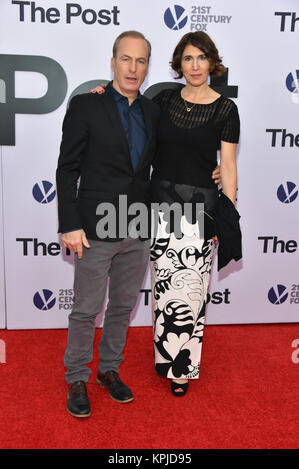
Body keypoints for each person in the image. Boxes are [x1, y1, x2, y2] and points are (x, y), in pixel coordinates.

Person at [56, 31, 160, 418]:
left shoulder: (152, 111)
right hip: (95, 226)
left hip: (136, 225)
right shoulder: (86, 105)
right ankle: (77, 377)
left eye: (141, 61)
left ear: (148, 66)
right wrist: (70, 222)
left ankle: (109, 370)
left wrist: (217, 170)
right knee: (85, 308)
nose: (133, 68)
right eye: (126, 59)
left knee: (121, 306)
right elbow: (67, 169)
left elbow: (166, 161)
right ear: (113, 61)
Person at [150, 32, 241, 396]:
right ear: (179, 64)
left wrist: (226, 215)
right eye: (188, 58)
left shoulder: (226, 109)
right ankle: (164, 356)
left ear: (212, 63)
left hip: (200, 210)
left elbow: (229, 167)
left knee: (191, 290)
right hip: (158, 207)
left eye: (201, 58)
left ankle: (182, 367)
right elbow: (134, 126)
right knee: (163, 289)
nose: (195, 66)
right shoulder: (164, 99)